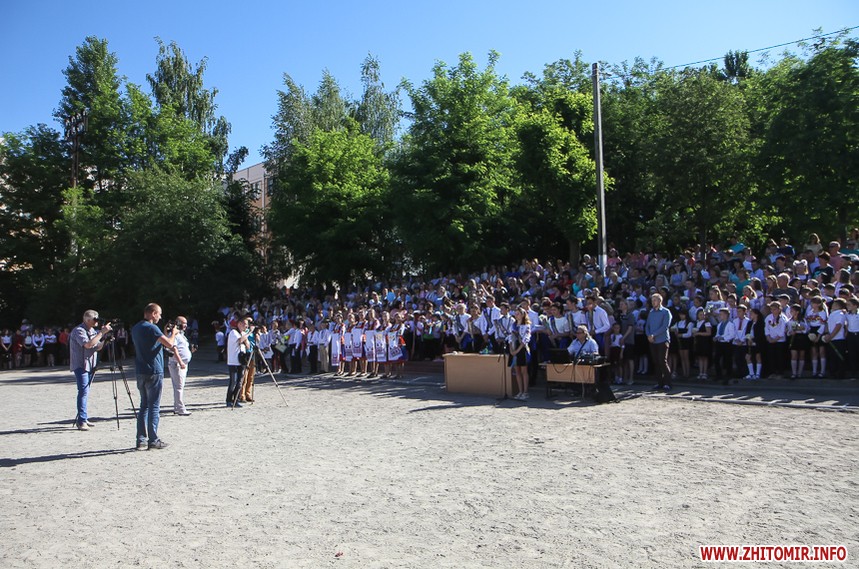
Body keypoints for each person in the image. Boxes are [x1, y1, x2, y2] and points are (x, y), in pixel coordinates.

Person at [131, 303, 178, 450]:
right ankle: (153, 439)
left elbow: (151, 343)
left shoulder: (136, 328)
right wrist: (174, 333)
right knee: (154, 406)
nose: (160, 317)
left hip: (140, 370)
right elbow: (169, 344)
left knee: (143, 406)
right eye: (159, 314)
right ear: (153, 313)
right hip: (154, 370)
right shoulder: (151, 328)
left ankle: (141, 440)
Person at [69, 310, 112, 431]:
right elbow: (87, 345)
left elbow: (97, 347)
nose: (96, 321)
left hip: (90, 364)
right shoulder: (79, 331)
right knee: (83, 391)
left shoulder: (93, 331)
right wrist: (101, 333)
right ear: (87, 320)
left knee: (86, 391)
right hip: (81, 364)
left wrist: (105, 340)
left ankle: (84, 417)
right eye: (95, 319)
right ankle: (81, 421)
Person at [646, 293, 673, 391]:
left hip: (662, 340)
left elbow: (665, 326)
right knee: (656, 362)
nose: (653, 302)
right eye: (652, 300)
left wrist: (654, 334)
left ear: (660, 301)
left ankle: (667, 383)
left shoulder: (666, 312)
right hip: (653, 341)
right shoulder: (651, 312)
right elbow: (647, 325)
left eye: (655, 300)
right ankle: (659, 382)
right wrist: (649, 335)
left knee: (662, 361)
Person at [167, 316, 193, 416]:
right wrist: (180, 361)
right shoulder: (174, 335)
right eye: (183, 323)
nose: (185, 325)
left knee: (178, 386)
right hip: (177, 364)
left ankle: (177, 407)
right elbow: (174, 349)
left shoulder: (181, 334)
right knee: (179, 387)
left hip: (182, 363)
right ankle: (181, 408)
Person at [226, 316, 251, 406]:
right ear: (239, 324)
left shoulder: (243, 333)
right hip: (233, 361)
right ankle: (229, 400)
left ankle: (236, 399)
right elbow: (240, 340)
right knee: (233, 382)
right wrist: (249, 332)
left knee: (240, 382)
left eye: (247, 325)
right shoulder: (233, 332)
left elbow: (248, 346)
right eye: (245, 324)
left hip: (242, 360)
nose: (246, 326)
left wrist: (246, 337)